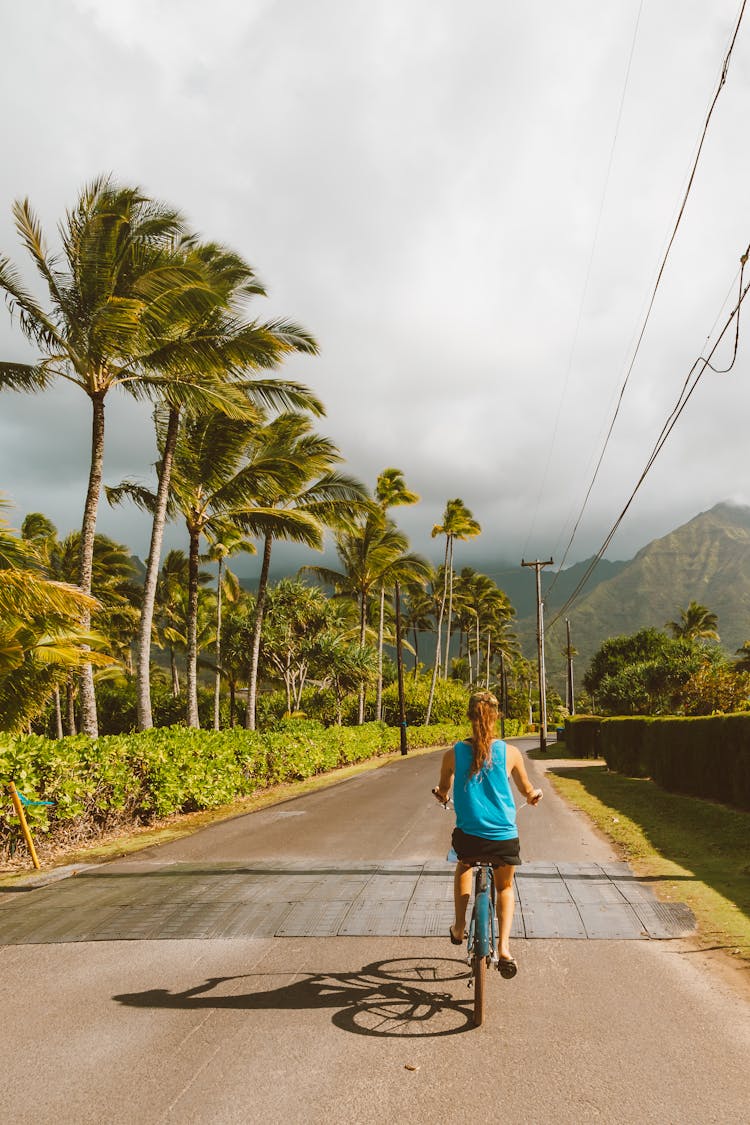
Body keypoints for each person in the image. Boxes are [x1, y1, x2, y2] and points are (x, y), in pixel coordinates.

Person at [432, 690, 542, 977]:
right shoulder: (511, 753)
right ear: (496, 716)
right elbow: (527, 790)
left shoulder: (453, 753)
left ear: (470, 716)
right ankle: (504, 948)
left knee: (464, 865)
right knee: (504, 887)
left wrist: (442, 796)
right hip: (504, 837)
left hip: (469, 837)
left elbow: (443, 790)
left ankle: (458, 927)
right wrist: (533, 796)